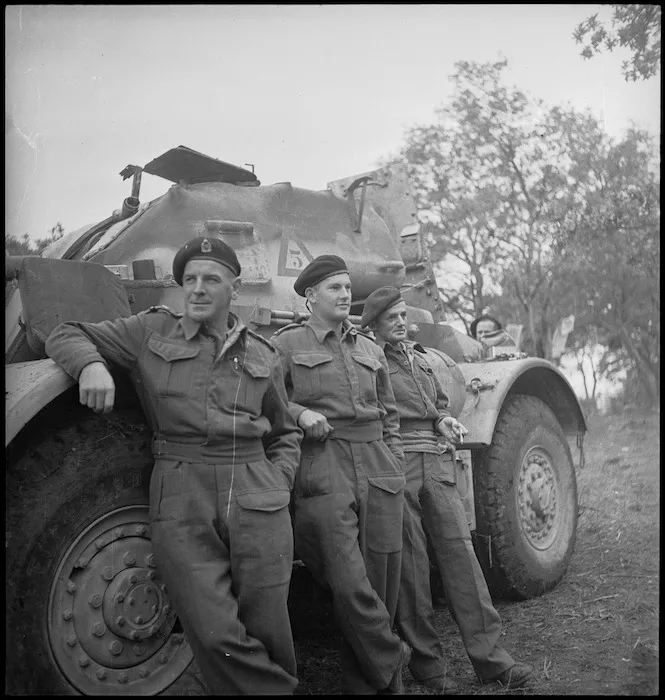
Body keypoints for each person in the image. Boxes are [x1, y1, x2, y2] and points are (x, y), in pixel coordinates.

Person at [45, 237, 302, 695]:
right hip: (182, 490)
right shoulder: (151, 331)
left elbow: (285, 430)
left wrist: (278, 481)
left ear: (235, 288)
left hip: (257, 490)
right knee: (213, 629)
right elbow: (65, 331)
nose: (198, 289)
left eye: (211, 280)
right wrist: (91, 366)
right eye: (190, 280)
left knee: (269, 625)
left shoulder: (265, 353)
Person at [362, 287, 534, 692]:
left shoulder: (420, 359)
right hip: (398, 462)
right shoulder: (369, 361)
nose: (402, 323)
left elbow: (437, 404)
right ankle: (428, 664)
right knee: (412, 569)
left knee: (463, 561)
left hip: (437, 463)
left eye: (404, 315)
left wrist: (444, 420)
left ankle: (492, 661)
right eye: (392, 318)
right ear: (375, 326)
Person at [271, 255, 411, 695]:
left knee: (382, 581)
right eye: (335, 288)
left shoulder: (370, 348)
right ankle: (392, 656)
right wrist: (300, 412)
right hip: (323, 461)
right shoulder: (287, 344)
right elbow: (267, 402)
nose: (346, 295)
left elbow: (390, 415)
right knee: (348, 582)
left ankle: (370, 686)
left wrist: (395, 462)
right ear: (310, 296)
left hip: (378, 464)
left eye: (348, 287)